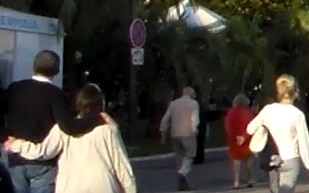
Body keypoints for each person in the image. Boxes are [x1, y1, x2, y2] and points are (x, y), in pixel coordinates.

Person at [1, 50, 103, 193]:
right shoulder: (55, 94)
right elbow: (69, 127)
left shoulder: (15, 88)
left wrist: (4, 137)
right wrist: (98, 118)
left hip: (14, 159)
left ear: (34, 67)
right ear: (56, 71)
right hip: (43, 164)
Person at [4, 83, 136, 193]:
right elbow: (122, 166)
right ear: (101, 104)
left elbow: (42, 152)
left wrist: (17, 144)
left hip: (70, 186)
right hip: (102, 185)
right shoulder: (108, 129)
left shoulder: (63, 129)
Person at [247, 74, 309, 193]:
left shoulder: (268, 110)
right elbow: (304, 144)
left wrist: (264, 129)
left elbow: (250, 129)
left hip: (272, 158)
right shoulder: (297, 114)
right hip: (291, 159)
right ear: (295, 92)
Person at [159, 86, 201, 191]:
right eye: (194, 92)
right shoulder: (194, 104)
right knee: (190, 154)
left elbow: (165, 119)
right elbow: (194, 119)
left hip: (175, 134)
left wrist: (163, 132)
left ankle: (182, 183)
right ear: (190, 93)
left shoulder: (173, 103)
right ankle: (182, 173)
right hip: (188, 133)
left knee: (179, 156)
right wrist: (194, 130)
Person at [224, 93, 256, 189]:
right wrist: (245, 136)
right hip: (246, 138)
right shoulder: (248, 112)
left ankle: (236, 181)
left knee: (236, 160)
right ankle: (249, 179)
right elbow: (251, 125)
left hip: (234, 139)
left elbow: (227, 125)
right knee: (248, 159)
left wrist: (232, 135)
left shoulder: (230, 112)